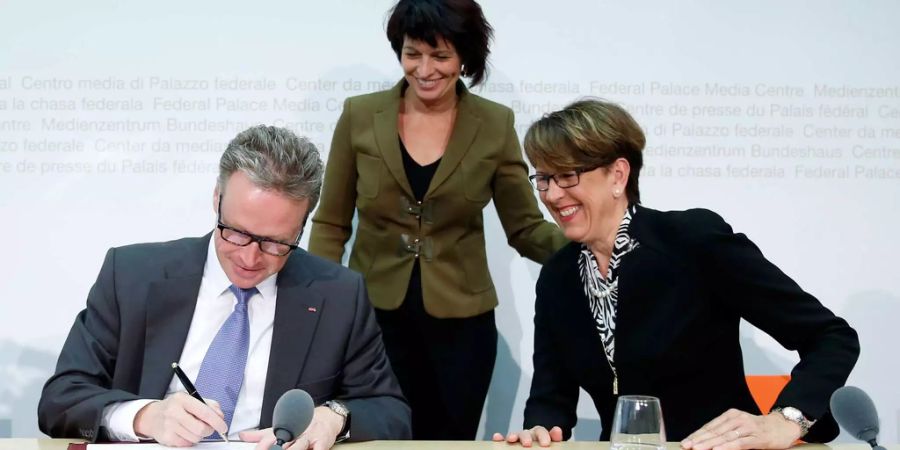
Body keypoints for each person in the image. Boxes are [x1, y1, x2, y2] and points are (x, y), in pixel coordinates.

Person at [492, 99, 860, 449]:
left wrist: (787, 418)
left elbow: (831, 337)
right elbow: (549, 398)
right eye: (542, 179)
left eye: (567, 177)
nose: (552, 195)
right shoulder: (559, 276)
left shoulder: (692, 241)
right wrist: (539, 430)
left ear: (618, 175)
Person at [38, 125, 411, 449]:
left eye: (276, 243)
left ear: (302, 227)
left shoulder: (338, 295)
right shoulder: (133, 275)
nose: (250, 258)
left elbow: (390, 412)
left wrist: (334, 418)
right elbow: (61, 399)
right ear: (217, 200)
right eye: (236, 233)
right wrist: (146, 416)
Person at [308, 0, 567, 440]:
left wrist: (600, 247)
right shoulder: (359, 115)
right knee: (375, 437)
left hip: (462, 331)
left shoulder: (494, 123)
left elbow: (525, 229)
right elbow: (331, 224)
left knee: (449, 442)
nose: (425, 69)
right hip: (373, 322)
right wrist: (317, 305)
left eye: (440, 55)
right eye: (413, 53)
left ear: (464, 56)